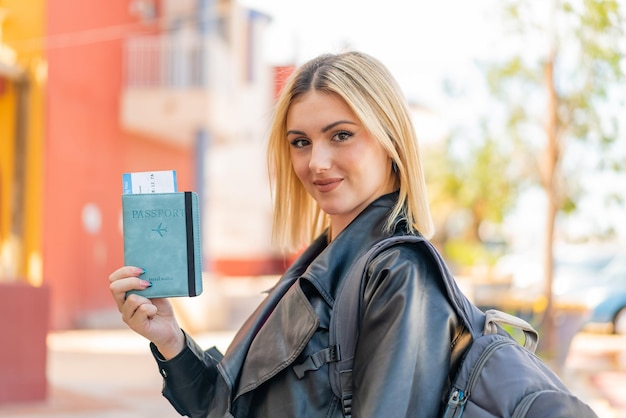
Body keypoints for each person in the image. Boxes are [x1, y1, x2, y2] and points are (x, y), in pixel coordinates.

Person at [109, 51, 471, 417]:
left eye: (341, 135)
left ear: (390, 140)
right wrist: (171, 339)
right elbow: (225, 406)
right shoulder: (315, 269)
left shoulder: (400, 274)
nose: (316, 162)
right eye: (301, 142)